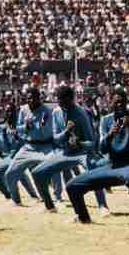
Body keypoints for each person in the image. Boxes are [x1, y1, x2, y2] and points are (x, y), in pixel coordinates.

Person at [66, 88, 129, 226]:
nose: (119, 105)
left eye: (122, 102)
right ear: (111, 102)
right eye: (116, 102)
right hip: (111, 164)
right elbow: (102, 148)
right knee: (72, 186)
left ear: (126, 103)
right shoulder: (106, 120)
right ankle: (83, 218)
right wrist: (110, 134)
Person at [32, 86, 109, 214]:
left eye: (64, 101)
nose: (61, 103)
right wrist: (66, 132)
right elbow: (56, 139)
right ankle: (50, 206)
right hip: (65, 153)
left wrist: (79, 143)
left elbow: (91, 142)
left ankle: (103, 206)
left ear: (71, 99)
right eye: (59, 100)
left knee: (93, 173)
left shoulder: (81, 113)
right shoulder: (56, 112)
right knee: (37, 173)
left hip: (83, 153)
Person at [4, 87, 54, 206]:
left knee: (53, 171)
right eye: (28, 98)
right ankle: (16, 201)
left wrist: (40, 126)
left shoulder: (46, 111)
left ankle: (56, 199)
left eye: (32, 98)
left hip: (45, 147)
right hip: (28, 147)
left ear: (38, 98)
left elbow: (48, 132)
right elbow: (19, 129)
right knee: (9, 174)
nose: (29, 100)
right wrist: (25, 127)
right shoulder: (23, 110)